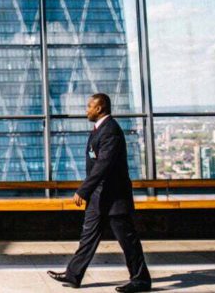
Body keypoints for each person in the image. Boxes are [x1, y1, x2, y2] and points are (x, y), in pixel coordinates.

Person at [48, 93, 151, 292]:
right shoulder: (99, 130)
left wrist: (83, 190)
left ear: (100, 108)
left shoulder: (110, 131)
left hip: (114, 197)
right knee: (88, 236)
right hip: (99, 196)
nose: (86, 110)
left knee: (127, 240)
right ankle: (73, 274)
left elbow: (103, 165)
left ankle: (141, 280)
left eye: (89, 106)